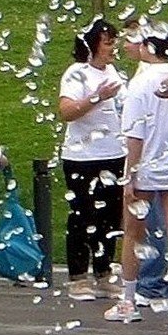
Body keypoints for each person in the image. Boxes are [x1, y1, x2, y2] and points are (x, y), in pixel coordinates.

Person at [114, 28, 168, 323]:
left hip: (145, 166)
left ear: (148, 47)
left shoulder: (140, 83)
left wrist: (129, 175)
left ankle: (128, 301)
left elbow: (135, 133)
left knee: (133, 233)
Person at [54, 19, 131, 302]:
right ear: (92, 45)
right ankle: (77, 276)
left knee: (110, 217)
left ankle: (103, 272)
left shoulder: (114, 72)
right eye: (108, 43)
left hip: (113, 153)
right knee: (82, 214)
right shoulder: (77, 73)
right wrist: (98, 97)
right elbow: (67, 111)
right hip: (82, 156)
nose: (113, 48)